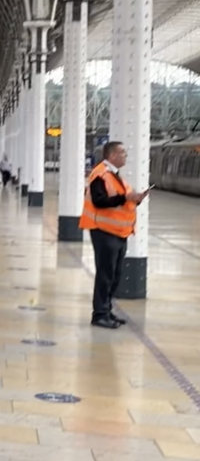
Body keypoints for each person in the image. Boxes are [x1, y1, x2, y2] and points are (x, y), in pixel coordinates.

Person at [80, 141, 149, 329]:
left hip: (117, 232)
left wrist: (136, 199)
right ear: (111, 156)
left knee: (114, 274)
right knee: (105, 273)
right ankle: (99, 314)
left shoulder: (115, 176)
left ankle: (106, 309)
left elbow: (122, 199)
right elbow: (100, 201)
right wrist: (125, 198)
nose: (125, 155)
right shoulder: (100, 174)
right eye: (122, 152)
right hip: (103, 231)